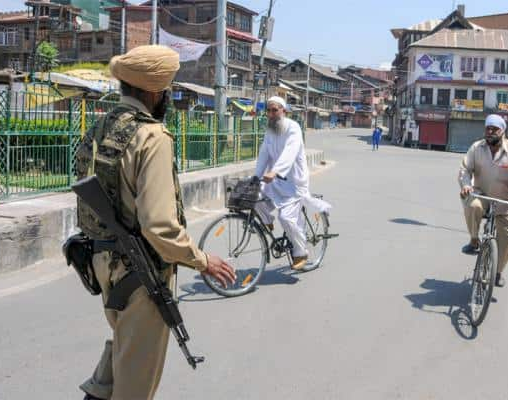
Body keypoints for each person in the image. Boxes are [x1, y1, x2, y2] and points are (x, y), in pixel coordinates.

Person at [75, 45, 236, 400]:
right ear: (152, 90)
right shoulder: (151, 136)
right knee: (136, 384)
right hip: (140, 273)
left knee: (125, 350)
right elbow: (159, 226)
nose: (167, 96)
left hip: (103, 263)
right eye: (166, 89)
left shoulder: (104, 124)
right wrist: (203, 260)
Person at [254, 96, 331, 270]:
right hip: (275, 180)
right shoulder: (270, 131)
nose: (271, 114)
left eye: (275, 110)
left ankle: (300, 251)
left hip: (294, 183)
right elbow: (264, 154)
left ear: (284, 111)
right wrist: (256, 175)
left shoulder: (293, 128)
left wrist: (275, 171)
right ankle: (267, 219)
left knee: (286, 217)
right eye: (269, 111)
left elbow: (290, 151)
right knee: (254, 195)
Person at [458, 114, 508, 288]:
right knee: (472, 205)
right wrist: (466, 185)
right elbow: (465, 170)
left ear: (503, 131)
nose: (490, 132)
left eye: (494, 129)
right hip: (482, 194)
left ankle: (498, 271)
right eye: (488, 129)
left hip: (505, 200)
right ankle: (474, 240)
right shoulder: (476, 147)